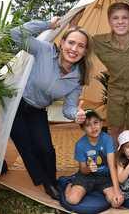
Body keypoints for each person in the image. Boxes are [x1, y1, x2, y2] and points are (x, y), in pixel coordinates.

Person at [9, 17, 92, 200]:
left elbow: (69, 107)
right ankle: (47, 183)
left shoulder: (77, 77)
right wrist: (47, 24)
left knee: (46, 148)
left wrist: (76, 115)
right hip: (16, 104)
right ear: (62, 43)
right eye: (71, 42)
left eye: (80, 46)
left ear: (85, 52)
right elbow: (15, 34)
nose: (74, 49)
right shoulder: (44, 50)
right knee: (26, 146)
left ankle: (51, 181)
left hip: (37, 109)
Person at [92, 2, 129, 141]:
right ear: (109, 21)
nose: (120, 22)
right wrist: (74, 21)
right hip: (115, 90)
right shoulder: (99, 41)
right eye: (115, 18)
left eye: (125, 18)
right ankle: (114, 160)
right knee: (114, 128)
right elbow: (78, 39)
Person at [65, 109, 124, 208]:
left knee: (116, 202)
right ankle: (69, 185)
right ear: (83, 128)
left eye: (95, 123)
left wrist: (117, 191)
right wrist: (88, 169)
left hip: (105, 176)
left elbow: (112, 167)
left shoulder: (107, 139)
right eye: (88, 125)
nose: (93, 127)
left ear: (101, 123)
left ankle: (105, 191)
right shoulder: (80, 144)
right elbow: (83, 170)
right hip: (86, 176)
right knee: (72, 200)